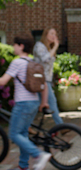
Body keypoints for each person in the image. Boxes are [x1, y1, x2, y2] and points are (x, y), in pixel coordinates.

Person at [0, 33, 52, 170]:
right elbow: (44, 85)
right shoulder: (33, 62)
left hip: (23, 103)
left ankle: (38, 155)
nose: (13, 47)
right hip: (34, 103)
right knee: (23, 134)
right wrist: (44, 102)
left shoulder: (17, 62)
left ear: (21, 46)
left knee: (14, 134)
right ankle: (23, 166)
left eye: (15, 44)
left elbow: (3, 81)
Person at [33, 28, 63, 125]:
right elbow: (45, 59)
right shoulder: (39, 46)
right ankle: (61, 126)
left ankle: (27, 126)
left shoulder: (49, 48)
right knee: (52, 102)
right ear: (46, 35)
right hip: (40, 79)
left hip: (46, 80)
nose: (54, 36)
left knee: (36, 104)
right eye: (51, 34)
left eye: (55, 34)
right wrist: (55, 47)